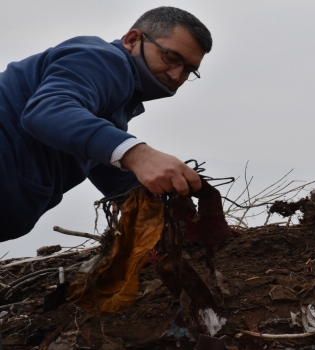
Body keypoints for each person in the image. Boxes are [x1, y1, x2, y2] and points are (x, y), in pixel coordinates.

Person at [0, 7, 211, 241]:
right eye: (171, 58)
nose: (176, 76)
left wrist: (175, 215)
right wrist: (140, 155)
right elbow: (47, 111)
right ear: (133, 39)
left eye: (188, 70)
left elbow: (111, 169)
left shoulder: (114, 103)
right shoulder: (103, 58)